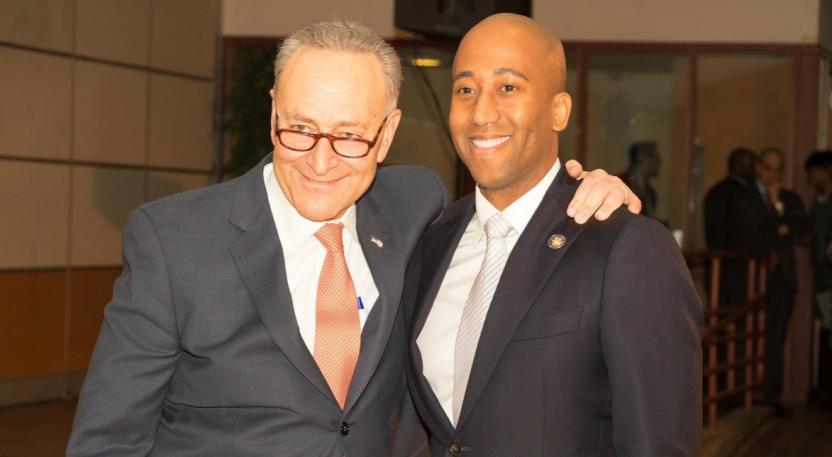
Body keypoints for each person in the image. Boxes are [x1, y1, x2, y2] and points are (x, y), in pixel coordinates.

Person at [67, 19, 637, 457]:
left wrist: (583, 191)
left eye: (349, 136)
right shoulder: (173, 241)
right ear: (273, 115)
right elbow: (107, 442)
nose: (320, 161)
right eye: (300, 129)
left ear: (387, 132)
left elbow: (511, 209)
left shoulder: (415, 207)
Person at [407, 13, 702, 457]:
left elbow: (659, 443)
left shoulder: (623, 246)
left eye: (508, 87)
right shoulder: (429, 239)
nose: (482, 112)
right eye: (465, 89)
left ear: (558, 110)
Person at [755, 147, 808, 414]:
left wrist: (777, 208)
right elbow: (760, 231)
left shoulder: (789, 198)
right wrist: (779, 225)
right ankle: (747, 393)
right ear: (757, 167)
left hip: (781, 278)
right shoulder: (749, 197)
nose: (771, 174)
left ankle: (770, 395)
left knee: (776, 336)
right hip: (753, 276)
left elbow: (799, 226)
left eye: (777, 169)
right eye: (766, 167)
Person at [704, 147, 767, 309]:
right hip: (741, 272)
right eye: (752, 165)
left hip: (716, 270)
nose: (755, 171)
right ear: (738, 166)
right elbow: (752, 232)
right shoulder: (746, 194)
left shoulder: (714, 192)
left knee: (721, 321)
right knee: (740, 321)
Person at [805, 150, 832, 409]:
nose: (810, 178)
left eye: (813, 172)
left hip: (829, 279)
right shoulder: (820, 199)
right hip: (824, 279)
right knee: (826, 332)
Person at [620, 141, 660, 218]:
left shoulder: (650, 192)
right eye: (654, 157)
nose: (658, 162)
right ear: (642, 159)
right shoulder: (620, 184)